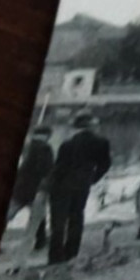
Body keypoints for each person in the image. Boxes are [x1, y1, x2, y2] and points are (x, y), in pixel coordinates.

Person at [47, 112, 111, 265]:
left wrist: (49, 183)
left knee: (58, 221)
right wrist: (92, 179)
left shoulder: (67, 144)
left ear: (77, 127)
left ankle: (56, 257)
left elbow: (60, 167)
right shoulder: (101, 142)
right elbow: (105, 164)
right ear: (90, 126)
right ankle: (71, 253)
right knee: (77, 218)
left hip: (62, 184)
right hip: (83, 184)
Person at [7, 125, 54, 262]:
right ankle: (39, 243)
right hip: (34, 189)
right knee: (38, 215)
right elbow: (46, 170)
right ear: (47, 135)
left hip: (19, 187)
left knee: (10, 213)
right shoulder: (45, 148)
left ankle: (41, 240)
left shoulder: (27, 146)